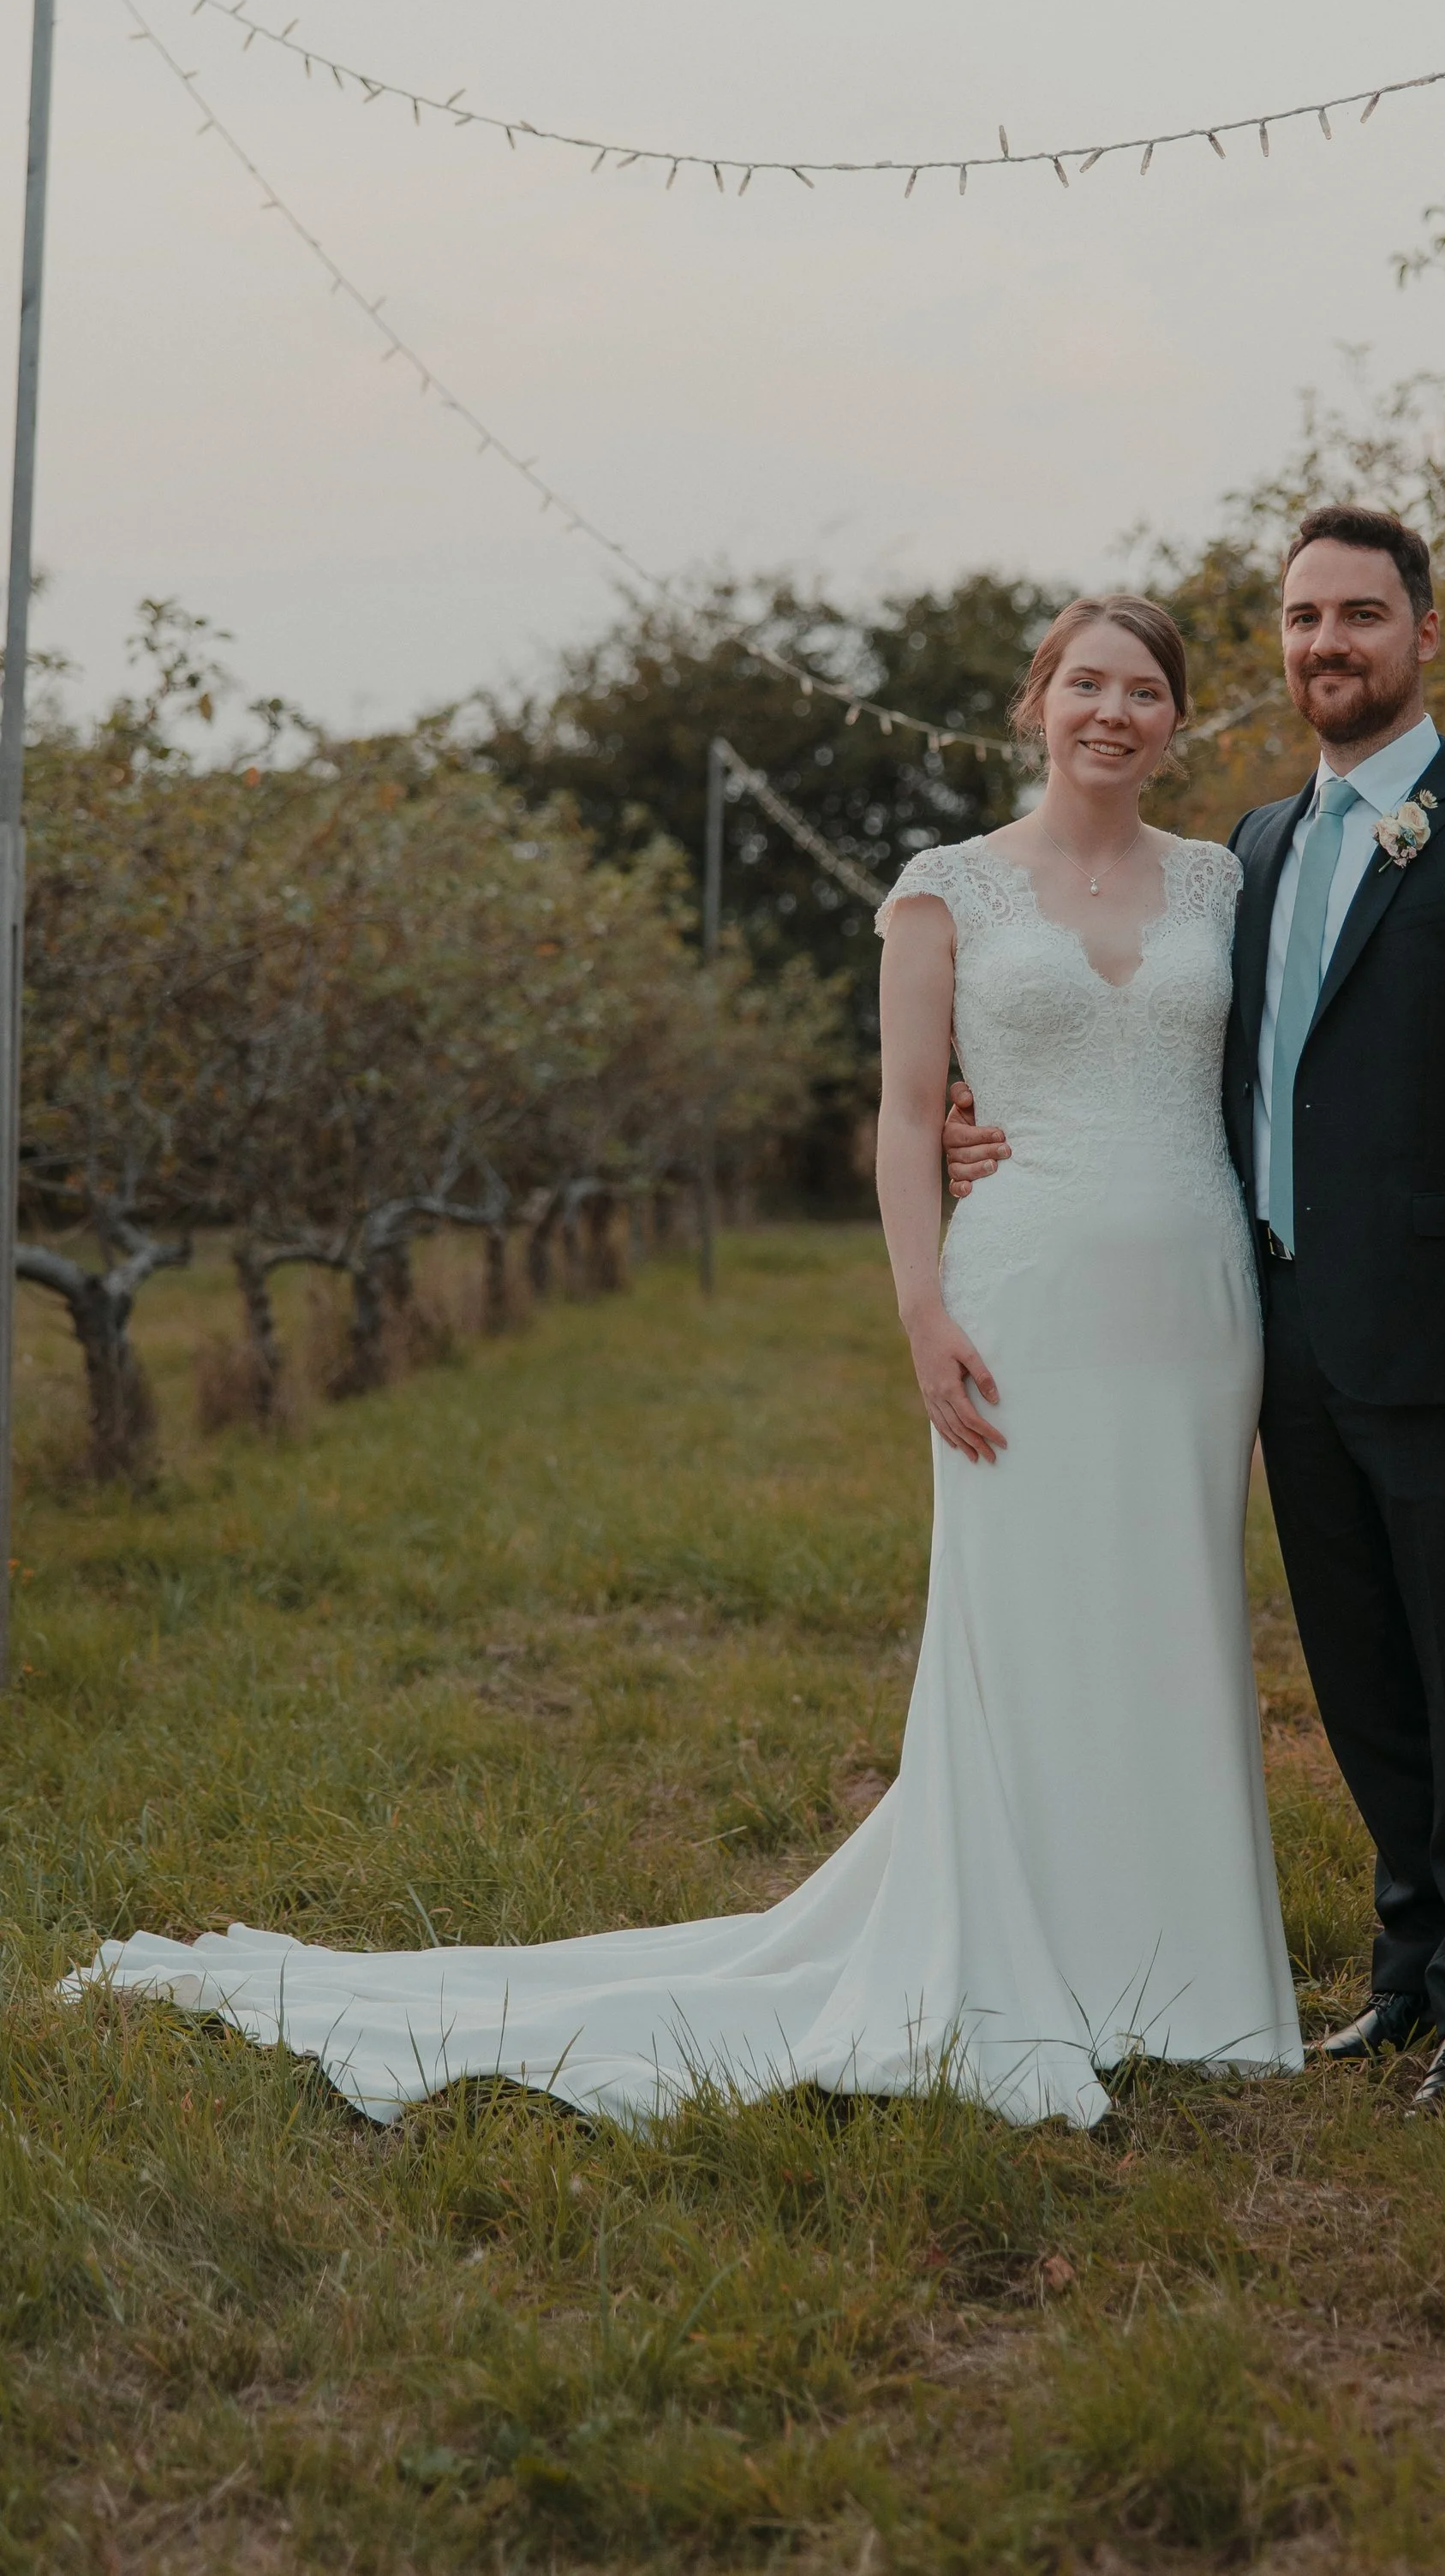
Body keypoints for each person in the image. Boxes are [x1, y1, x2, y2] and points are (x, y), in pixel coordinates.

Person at [60, 596, 1300, 2132]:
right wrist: (921, 1310)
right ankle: (1016, 1946)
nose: (1114, 711)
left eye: (1146, 690)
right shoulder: (950, 888)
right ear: (1037, 701)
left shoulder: (1225, 880)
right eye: (1086, 684)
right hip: (1020, 1303)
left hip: (1193, 1302)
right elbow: (911, 1117)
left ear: (1180, 717)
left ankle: (1183, 1965)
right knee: (1025, 1620)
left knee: (1173, 1607)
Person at [950, 507, 1445, 2112]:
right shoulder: (1246, 849)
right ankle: (1403, 1972)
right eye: (1306, 618)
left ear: (1424, 634)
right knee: (1360, 1669)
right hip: (1272, 1333)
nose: (1330, 644)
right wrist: (983, 1119)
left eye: (1362, 616)